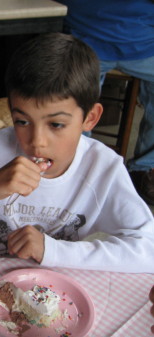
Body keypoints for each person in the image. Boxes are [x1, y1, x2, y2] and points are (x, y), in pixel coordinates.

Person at [0, 33, 154, 273]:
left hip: (45, 286)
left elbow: (148, 251)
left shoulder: (102, 169)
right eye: (22, 121)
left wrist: (53, 250)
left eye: (56, 124)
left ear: (90, 118)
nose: (37, 142)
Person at [55, 0, 154, 205]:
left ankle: (144, 170)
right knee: (73, 105)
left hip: (145, 40)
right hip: (84, 35)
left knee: (73, 105)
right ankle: (77, 168)